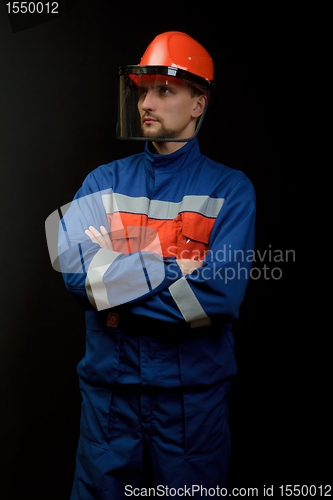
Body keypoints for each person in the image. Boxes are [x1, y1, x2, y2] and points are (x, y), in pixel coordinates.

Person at [52, 31, 256, 499]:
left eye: (164, 90)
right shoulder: (103, 181)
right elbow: (73, 272)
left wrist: (119, 266)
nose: (148, 102)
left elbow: (217, 296)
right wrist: (175, 268)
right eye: (143, 90)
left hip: (193, 403)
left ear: (198, 103)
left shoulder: (230, 190)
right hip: (109, 396)